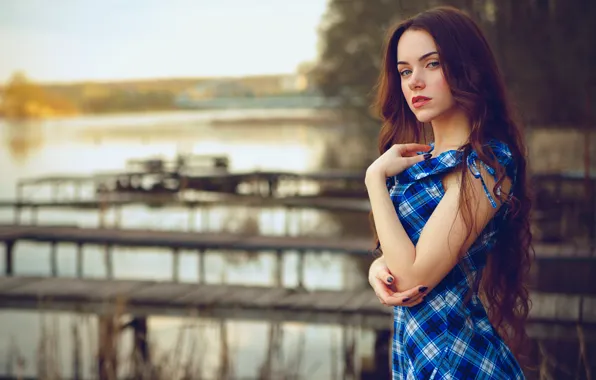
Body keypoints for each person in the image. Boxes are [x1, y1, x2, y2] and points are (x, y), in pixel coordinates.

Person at [365, 6, 533, 379]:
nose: (414, 82)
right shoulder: (426, 161)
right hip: (416, 349)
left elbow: (413, 277)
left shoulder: (486, 163)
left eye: (432, 64)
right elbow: (408, 254)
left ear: (466, 68)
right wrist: (379, 267)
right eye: (405, 71)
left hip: (456, 359)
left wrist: (375, 181)